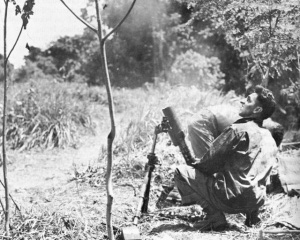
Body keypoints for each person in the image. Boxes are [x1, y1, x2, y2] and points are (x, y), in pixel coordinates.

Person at [173, 85, 278, 230]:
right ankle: (253, 218)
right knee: (251, 176)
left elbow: (209, 163)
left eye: (247, 100)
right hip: (256, 201)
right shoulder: (269, 138)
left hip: (231, 201)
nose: (242, 101)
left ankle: (214, 218)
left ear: (257, 110)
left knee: (180, 173)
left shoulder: (237, 130)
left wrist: (194, 166)